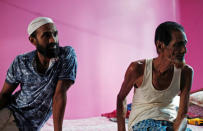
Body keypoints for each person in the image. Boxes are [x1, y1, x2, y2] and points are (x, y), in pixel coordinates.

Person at [0, 17, 77, 131]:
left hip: (23, 126)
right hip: (7, 113)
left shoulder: (66, 55)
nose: (53, 40)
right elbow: (4, 95)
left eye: (55, 34)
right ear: (33, 40)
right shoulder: (21, 61)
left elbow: (59, 95)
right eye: (46, 35)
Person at [117, 21, 193, 131]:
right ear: (160, 45)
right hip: (144, 121)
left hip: (172, 122)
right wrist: (121, 129)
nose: (184, 50)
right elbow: (121, 97)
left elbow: (182, 116)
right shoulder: (137, 69)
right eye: (177, 45)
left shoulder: (186, 72)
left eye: (184, 44)